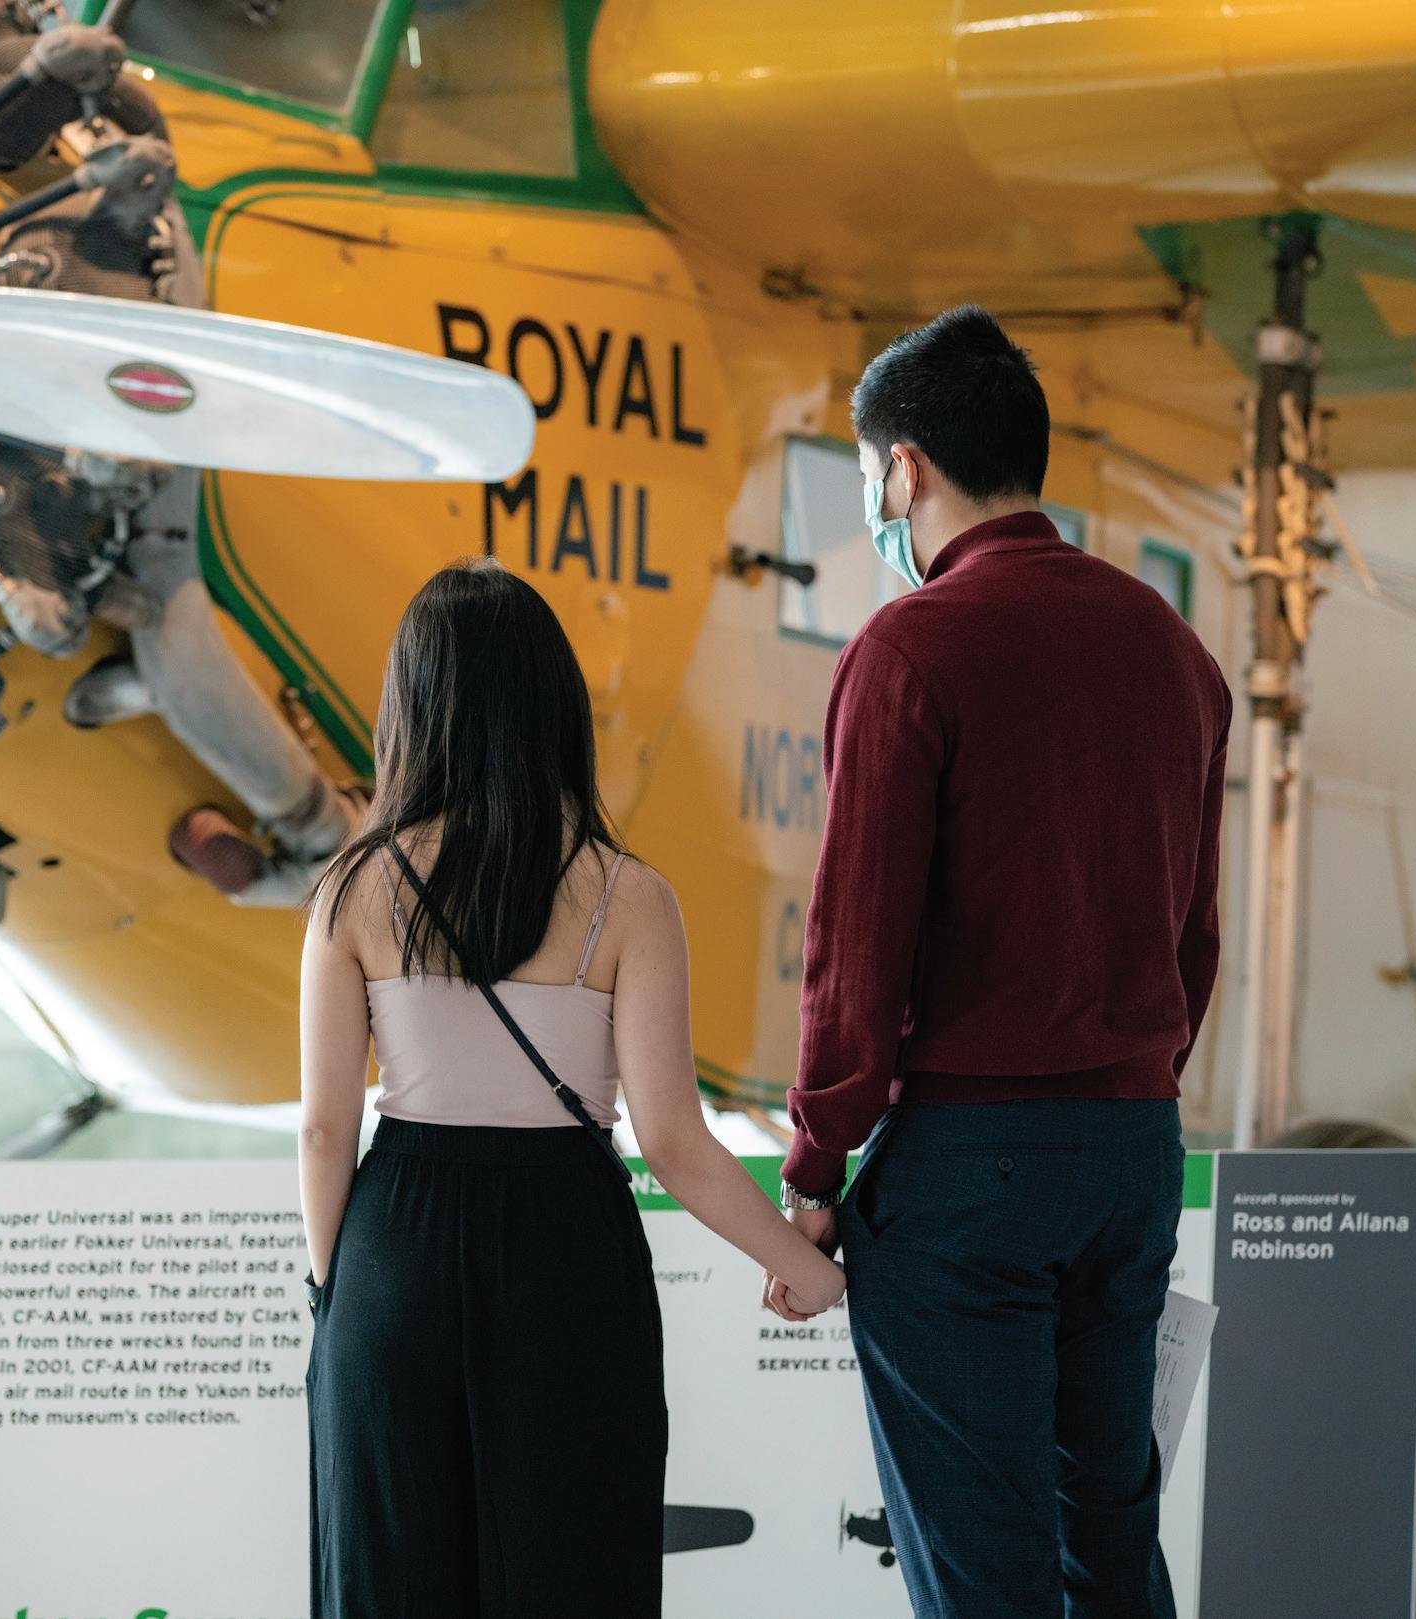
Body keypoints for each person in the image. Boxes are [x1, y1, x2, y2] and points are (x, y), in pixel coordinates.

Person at [765, 306, 1233, 1618]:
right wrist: (1126, 1086)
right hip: (1130, 1148)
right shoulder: (1174, 651)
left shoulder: (909, 647)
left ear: (902, 470)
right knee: (1108, 1538)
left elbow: (855, 943)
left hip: (967, 1170)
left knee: (983, 1567)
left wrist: (815, 1161)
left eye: (870, 474)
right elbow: (1192, 934)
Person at [298, 558, 847, 1619]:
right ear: (554, 708)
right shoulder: (627, 896)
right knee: (573, 1562)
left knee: (389, 1571)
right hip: (566, 1248)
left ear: (409, 707)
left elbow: (325, 1130)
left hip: (394, 1244)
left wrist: (336, 1294)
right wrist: (805, 1269)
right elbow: (673, 1140)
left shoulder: (352, 888)